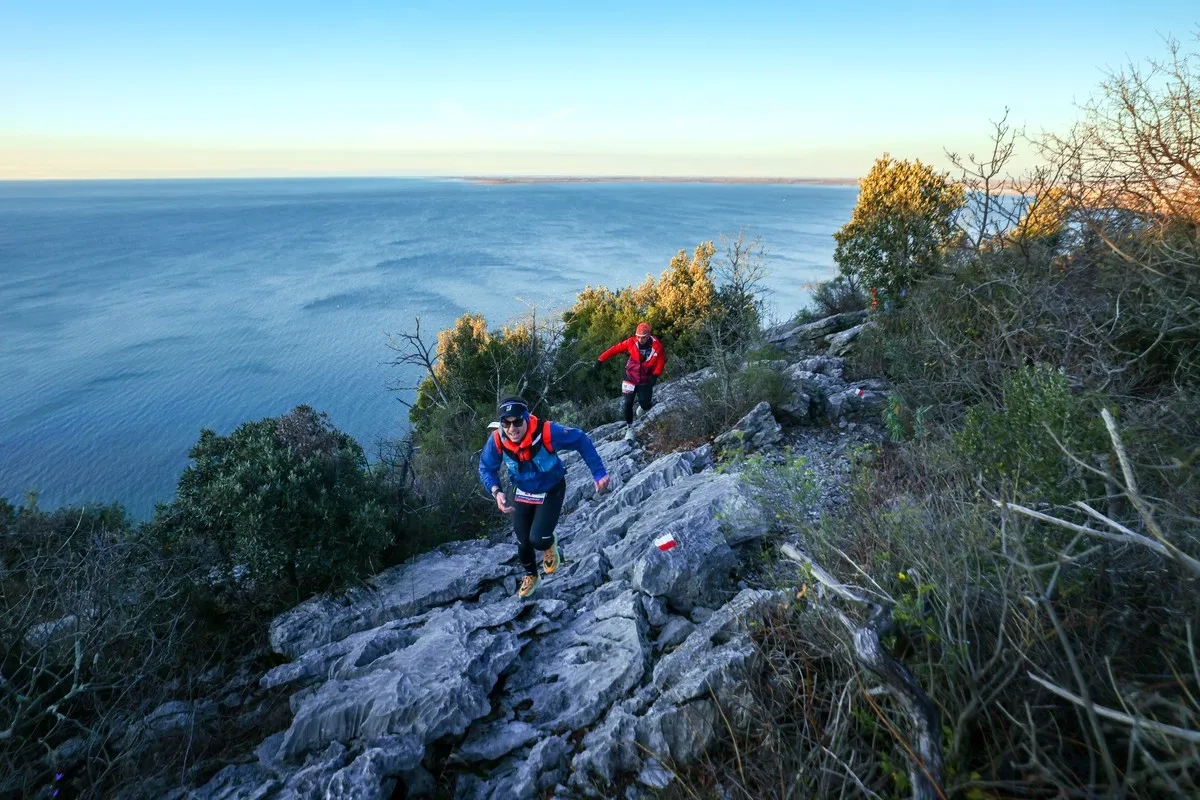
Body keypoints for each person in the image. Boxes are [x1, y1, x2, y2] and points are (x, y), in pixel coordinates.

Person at [478, 397, 610, 598]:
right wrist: (496, 491)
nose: (512, 429)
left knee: (538, 539)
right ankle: (532, 575)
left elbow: (580, 439)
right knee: (523, 542)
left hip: (551, 489)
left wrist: (598, 472)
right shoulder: (497, 439)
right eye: (506, 423)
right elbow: (487, 467)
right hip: (522, 491)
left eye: (517, 422)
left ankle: (548, 543)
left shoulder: (547, 432)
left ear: (526, 419)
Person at [592, 322, 666, 432]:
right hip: (630, 377)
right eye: (638, 337)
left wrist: (655, 375)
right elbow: (614, 349)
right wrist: (600, 360)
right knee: (628, 403)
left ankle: (641, 410)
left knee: (646, 404)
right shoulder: (631, 342)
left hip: (645, 379)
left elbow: (661, 360)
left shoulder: (657, 346)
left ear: (649, 335)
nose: (640, 340)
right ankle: (629, 428)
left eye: (643, 337)